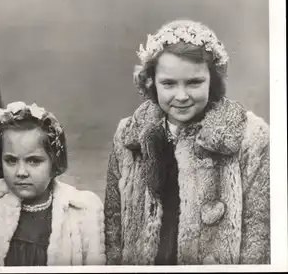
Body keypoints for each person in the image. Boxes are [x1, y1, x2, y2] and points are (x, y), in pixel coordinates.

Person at [104, 19, 270, 265]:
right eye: (168, 83)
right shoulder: (129, 136)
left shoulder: (250, 137)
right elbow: (113, 221)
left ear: (212, 80)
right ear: (151, 82)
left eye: (194, 82)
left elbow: (259, 229)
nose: (181, 96)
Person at [0, 101, 106, 266]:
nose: (21, 172)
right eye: (11, 161)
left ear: (54, 162)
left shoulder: (82, 212)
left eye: (33, 161)